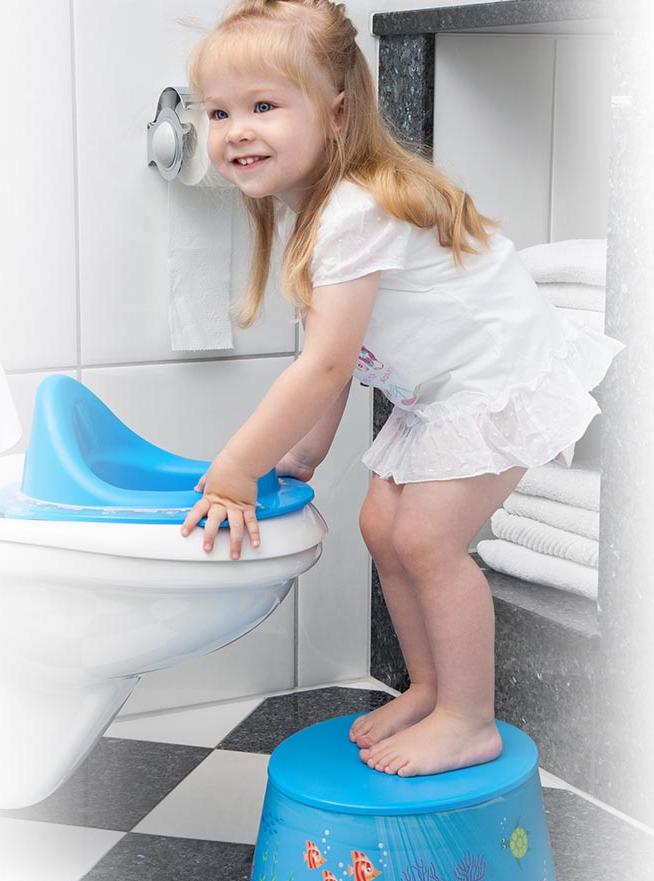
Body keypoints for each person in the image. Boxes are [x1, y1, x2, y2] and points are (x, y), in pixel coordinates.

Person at [180, 0, 623, 777]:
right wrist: (306, 452)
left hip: (496, 378)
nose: (236, 131)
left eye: (263, 106)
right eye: (219, 112)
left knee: (427, 541)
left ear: (336, 112)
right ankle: (429, 688)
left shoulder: (355, 212)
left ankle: (469, 719)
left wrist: (236, 469)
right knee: (382, 527)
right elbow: (338, 351)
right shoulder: (317, 210)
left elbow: (323, 366)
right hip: (440, 392)